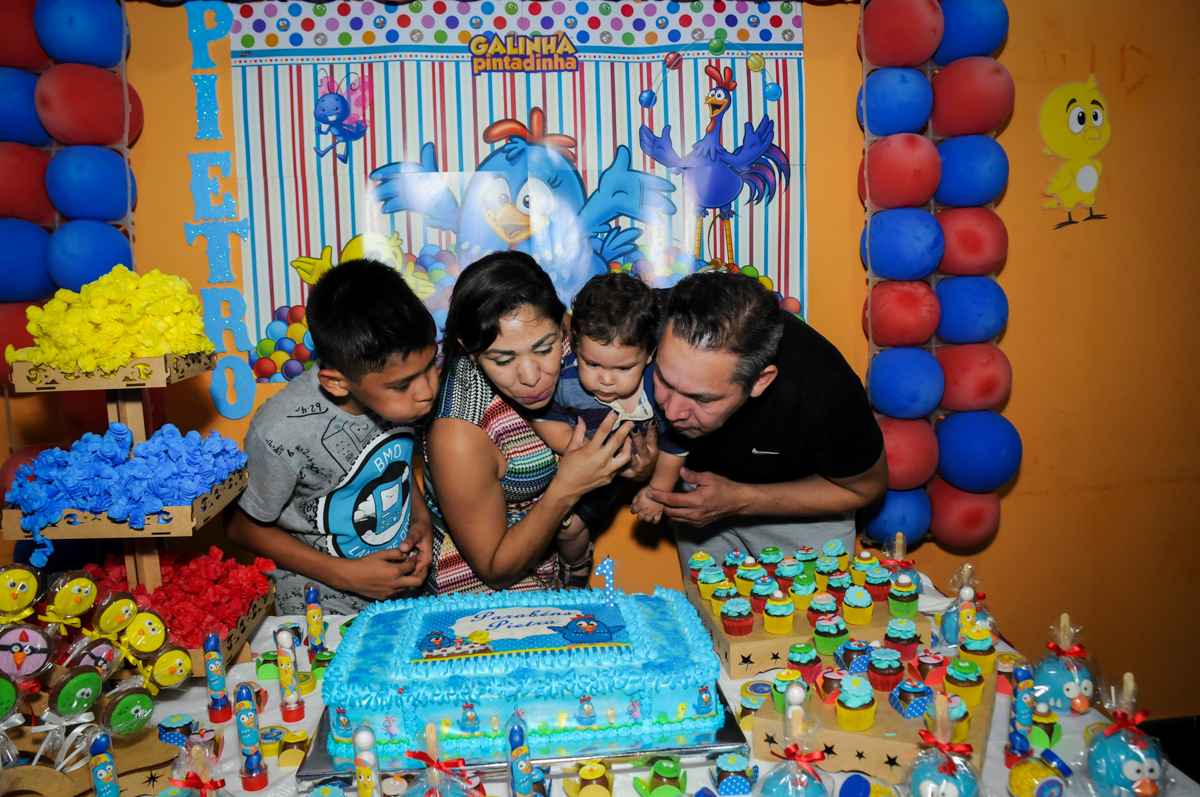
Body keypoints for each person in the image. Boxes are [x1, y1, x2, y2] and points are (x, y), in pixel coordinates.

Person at [423, 252, 654, 594]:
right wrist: (567, 487)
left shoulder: (572, 335)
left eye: (545, 349)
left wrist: (638, 467)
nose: (531, 377)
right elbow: (494, 571)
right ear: (471, 350)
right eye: (503, 359)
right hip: (477, 598)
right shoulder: (458, 432)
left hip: (556, 567)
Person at [632, 271, 887, 574]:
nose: (672, 412)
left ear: (760, 381)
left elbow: (865, 489)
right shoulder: (641, 315)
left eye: (702, 399)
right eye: (663, 378)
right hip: (697, 504)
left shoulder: (823, 389)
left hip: (800, 514)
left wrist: (740, 500)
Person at [227, 259, 436, 615]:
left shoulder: (398, 400)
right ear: (337, 383)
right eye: (403, 384)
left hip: (399, 602)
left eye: (432, 364)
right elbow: (239, 526)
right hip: (317, 613)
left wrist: (420, 521)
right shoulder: (281, 431)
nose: (426, 391)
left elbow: (388, 461)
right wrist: (346, 575)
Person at [532, 273, 689, 585]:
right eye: (592, 364)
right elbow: (545, 419)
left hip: (642, 463)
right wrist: (574, 449)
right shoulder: (565, 381)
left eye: (623, 368)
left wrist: (658, 492)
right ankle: (576, 567)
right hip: (588, 469)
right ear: (575, 347)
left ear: (648, 355)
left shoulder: (658, 388)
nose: (606, 379)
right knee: (567, 527)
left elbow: (675, 446)